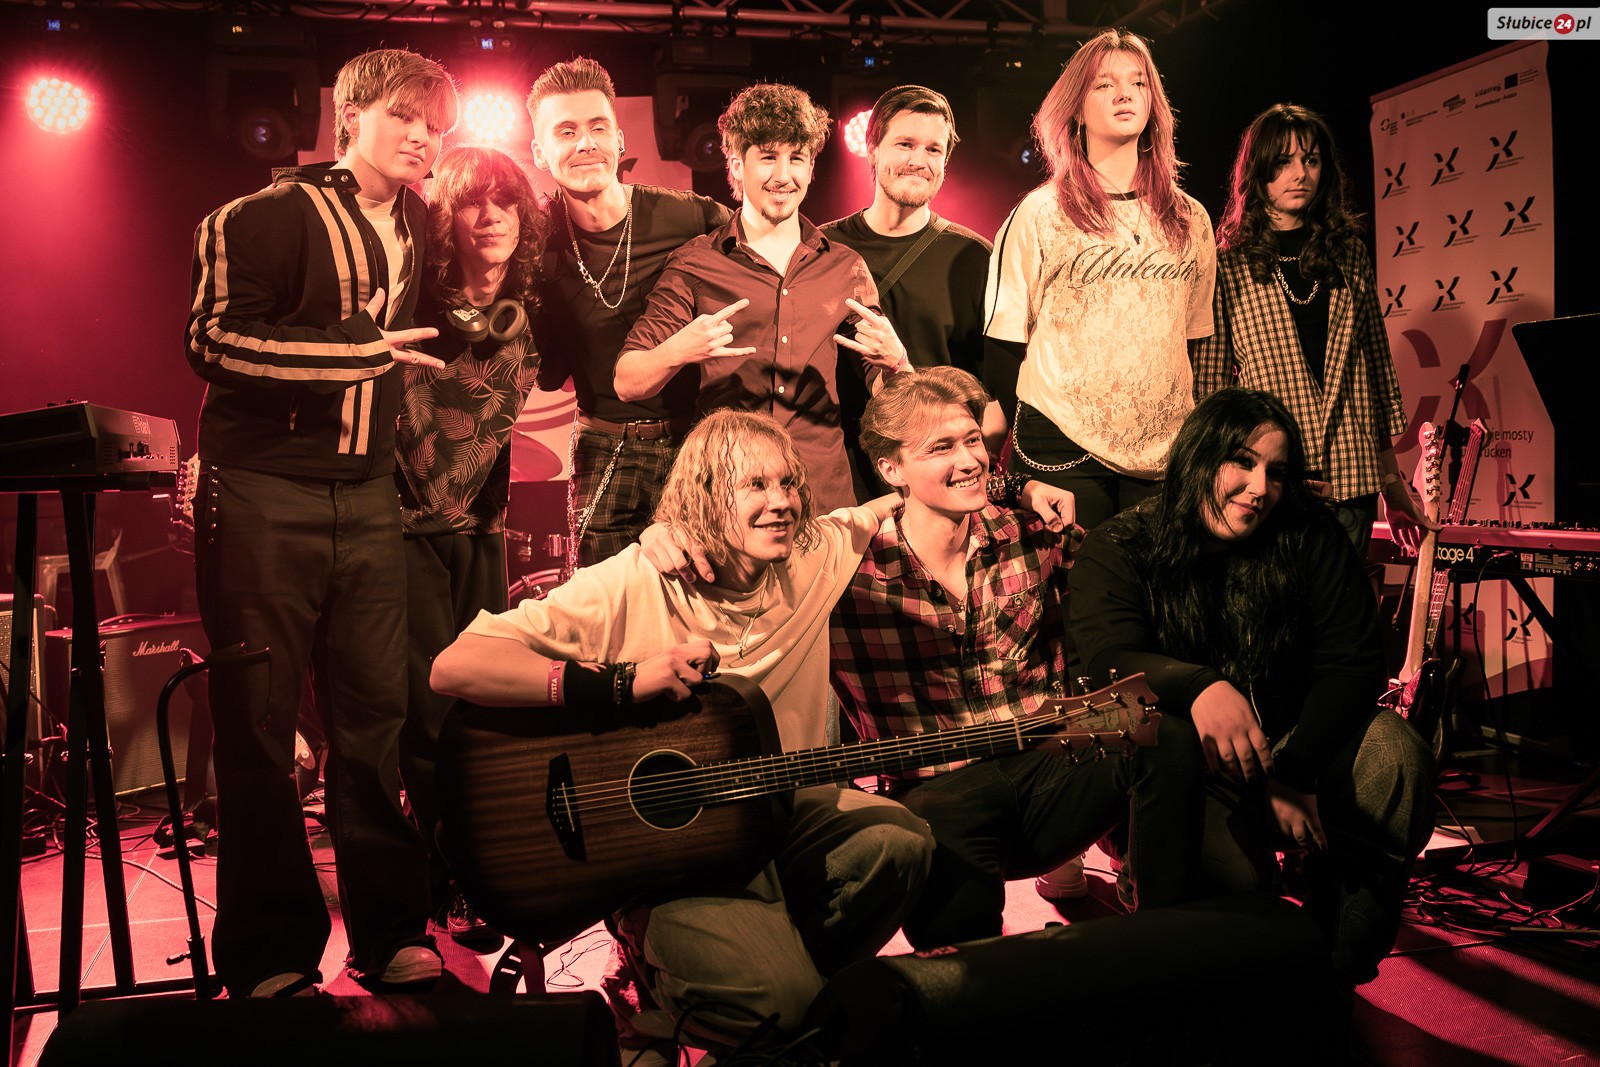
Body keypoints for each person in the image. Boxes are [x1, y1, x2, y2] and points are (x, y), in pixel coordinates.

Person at [430, 410, 935, 1063]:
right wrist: (622, 681)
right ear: (704, 497)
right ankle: (666, 999)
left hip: (773, 819)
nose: (782, 501)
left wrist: (1023, 489)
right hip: (666, 855)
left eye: (788, 482)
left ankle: (748, 998)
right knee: (781, 1010)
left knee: (901, 843)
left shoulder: (814, 553)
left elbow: (913, 494)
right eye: (755, 485)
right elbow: (455, 665)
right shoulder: (638, 578)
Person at [184, 48, 458, 997]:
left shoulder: (419, 225)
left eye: (435, 124)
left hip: (368, 496)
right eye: (404, 116)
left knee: (375, 720)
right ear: (351, 115)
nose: (422, 137)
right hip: (263, 491)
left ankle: (391, 931)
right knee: (260, 729)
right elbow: (211, 338)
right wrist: (353, 354)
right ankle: (269, 952)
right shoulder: (258, 216)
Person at [1068, 387, 1436, 989]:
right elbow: (1107, 660)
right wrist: (1201, 687)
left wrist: (1297, 771)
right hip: (1185, 768)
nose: (1260, 487)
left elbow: (1353, 663)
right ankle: (1152, 875)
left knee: (1395, 753)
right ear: (1197, 455)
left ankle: (1333, 974)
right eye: (1241, 461)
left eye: (1277, 472)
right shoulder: (1123, 545)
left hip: (1292, 747)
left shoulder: (1309, 534)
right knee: (1234, 924)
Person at [829, 367, 1207, 950]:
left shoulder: (1033, 532)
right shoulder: (847, 570)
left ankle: (1168, 945)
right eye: (941, 447)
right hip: (939, 790)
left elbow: (1128, 597)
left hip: (1051, 755)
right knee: (965, 963)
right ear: (890, 469)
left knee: (1159, 728)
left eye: (972, 440)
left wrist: (1021, 486)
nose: (969, 460)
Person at [615, 81, 912, 514]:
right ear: (737, 165)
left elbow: (887, 392)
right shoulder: (697, 262)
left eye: (797, 158)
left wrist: (898, 362)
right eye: (768, 157)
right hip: (728, 503)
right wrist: (680, 349)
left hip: (822, 502)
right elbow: (627, 381)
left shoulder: (844, 267)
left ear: (811, 167)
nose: (783, 175)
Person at [394, 144, 548, 946]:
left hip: (483, 530)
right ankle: (438, 879)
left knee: (484, 706)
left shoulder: (534, 305)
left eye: (505, 201)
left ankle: (480, 870)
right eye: (471, 202)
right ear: (444, 217)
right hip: (405, 531)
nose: (490, 217)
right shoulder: (412, 296)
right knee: (424, 717)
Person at [984, 28, 1216, 531]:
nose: (1124, 94)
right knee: (1077, 581)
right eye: (1104, 84)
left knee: (1154, 582)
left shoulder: (1190, 218)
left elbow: (1196, 342)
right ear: (1075, 108)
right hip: (1061, 443)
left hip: (1164, 451)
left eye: (1138, 82)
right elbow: (1003, 342)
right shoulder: (1040, 213)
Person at [1191, 103, 1435, 555]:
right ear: (1258, 171)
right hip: (1270, 479)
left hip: (1351, 476)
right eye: (1284, 161)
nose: (1300, 173)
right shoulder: (1228, 263)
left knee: (1343, 600)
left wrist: (1392, 484)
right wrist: (1217, 481)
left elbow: (1377, 372)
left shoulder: (1349, 254)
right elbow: (1212, 388)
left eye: (1311, 159)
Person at [526, 57, 733, 572]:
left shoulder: (691, 217)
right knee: (605, 607)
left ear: (619, 140)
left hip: (696, 441)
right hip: (603, 447)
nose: (585, 143)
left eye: (598, 127)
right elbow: (547, 371)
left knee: (704, 601)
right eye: (566, 131)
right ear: (539, 152)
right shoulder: (533, 242)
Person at [819, 85, 1006, 498]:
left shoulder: (975, 259)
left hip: (934, 488)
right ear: (872, 150)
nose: (918, 160)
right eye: (905, 144)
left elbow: (995, 400)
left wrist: (965, 472)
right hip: (840, 484)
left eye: (933, 149)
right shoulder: (821, 249)